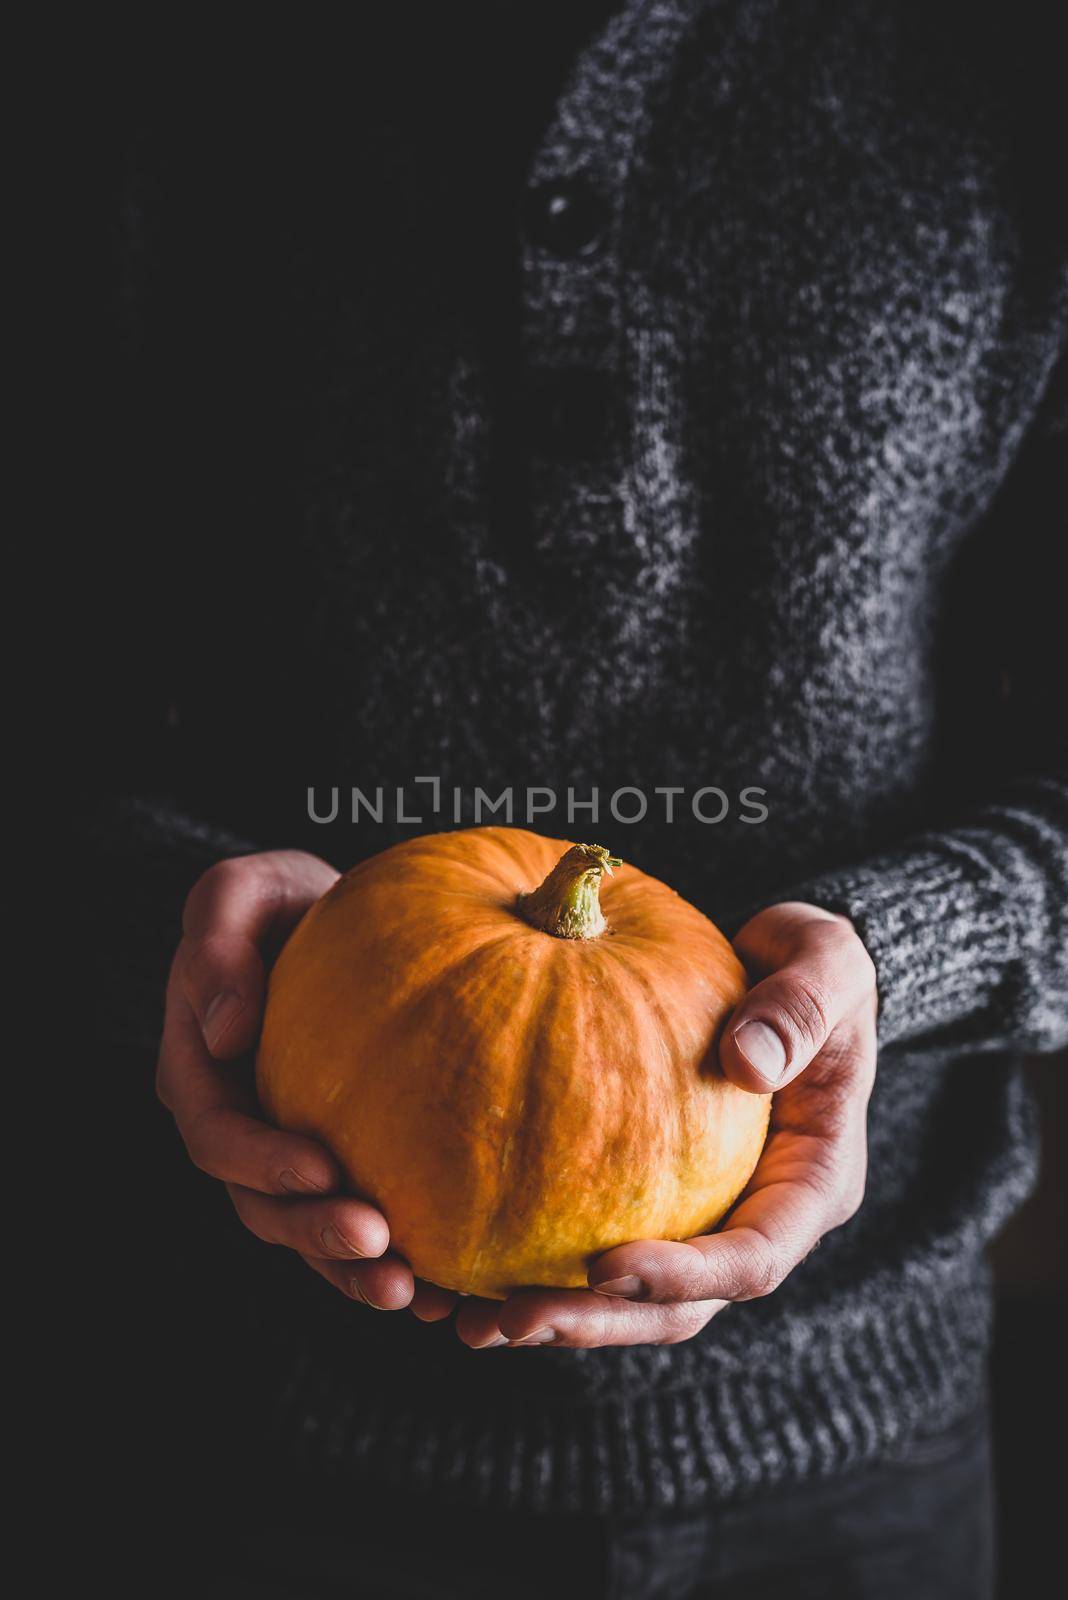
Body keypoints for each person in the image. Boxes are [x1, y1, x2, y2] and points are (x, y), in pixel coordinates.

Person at [80, 4, 1066, 1596]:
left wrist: (904, 953)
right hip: (241, 1414)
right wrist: (168, 928)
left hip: (865, 1451)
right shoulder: (158, 68)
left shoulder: (1010, 62)